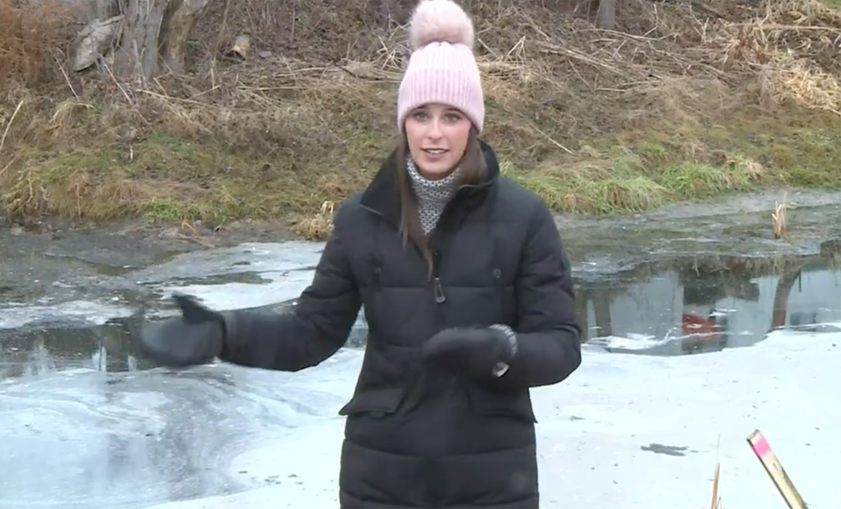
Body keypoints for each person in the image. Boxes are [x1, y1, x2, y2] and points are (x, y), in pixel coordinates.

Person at [138, 0, 582, 507]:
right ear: (404, 121)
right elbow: (311, 332)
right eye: (421, 115)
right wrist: (223, 334)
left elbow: (561, 344)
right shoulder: (360, 218)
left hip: (493, 477)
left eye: (451, 116)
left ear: (473, 124)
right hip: (381, 475)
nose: (434, 133)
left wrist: (504, 350)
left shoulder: (525, 217)